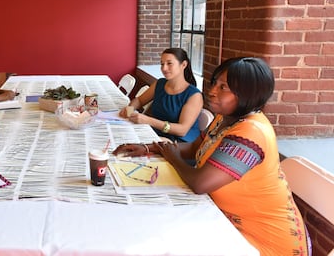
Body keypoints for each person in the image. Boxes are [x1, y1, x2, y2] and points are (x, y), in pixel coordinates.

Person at [113, 57, 310, 256]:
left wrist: (172, 157)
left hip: (261, 242)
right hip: (223, 222)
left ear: (248, 94)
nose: (212, 90)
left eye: (224, 87)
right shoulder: (225, 118)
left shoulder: (250, 132)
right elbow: (194, 149)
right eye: (215, 82)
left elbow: (200, 183)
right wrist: (150, 148)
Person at [119, 48, 203, 142]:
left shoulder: (194, 95)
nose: (164, 68)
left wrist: (148, 120)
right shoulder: (160, 84)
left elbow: (182, 130)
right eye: (162, 64)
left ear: (183, 64)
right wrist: (129, 110)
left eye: (169, 63)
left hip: (179, 144)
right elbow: (139, 100)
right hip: (156, 135)